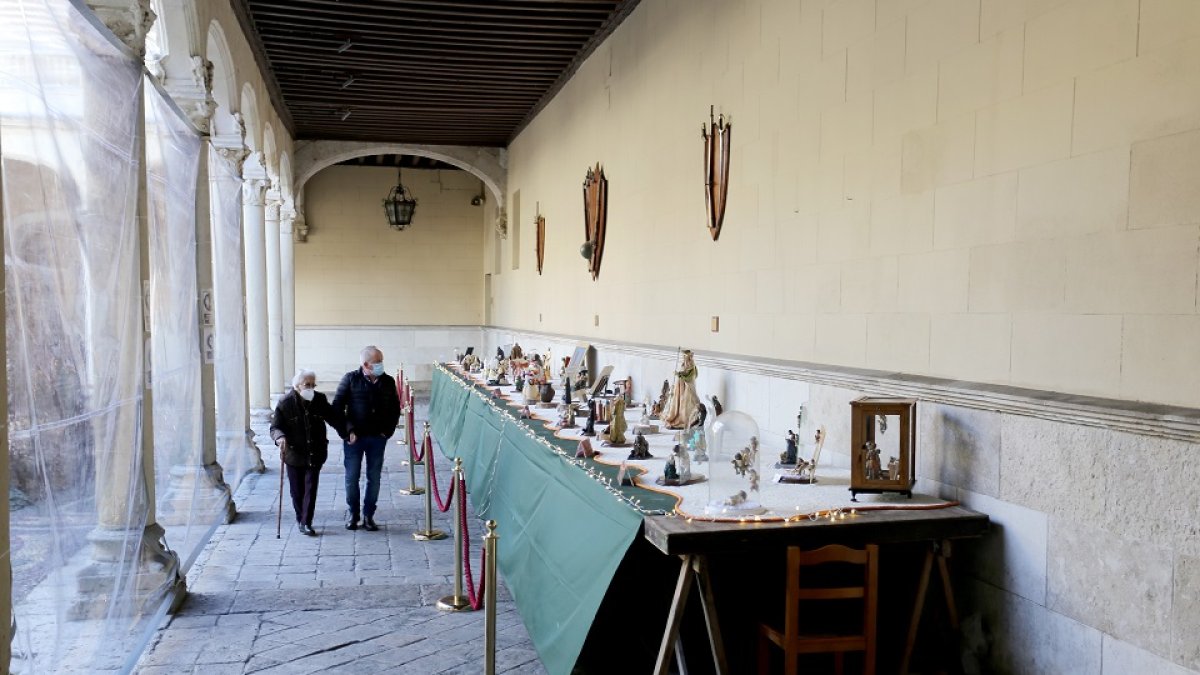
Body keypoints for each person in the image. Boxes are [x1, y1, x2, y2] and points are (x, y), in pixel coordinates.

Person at [331, 345, 400, 531]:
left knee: (374, 477)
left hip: (378, 437)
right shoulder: (350, 379)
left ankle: (369, 515)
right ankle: (354, 514)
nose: (380, 365)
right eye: (377, 362)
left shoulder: (388, 381)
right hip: (355, 438)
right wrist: (347, 431)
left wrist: (387, 431)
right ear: (365, 364)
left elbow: (395, 408)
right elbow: (336, 408)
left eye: (381, 361)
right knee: (351, 477)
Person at [270, 369, 341, 536]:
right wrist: (280, 438)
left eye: (312, 385)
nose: (310, 388)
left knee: (311, 487)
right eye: (306, 385)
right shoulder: (285, 403)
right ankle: (300, 517)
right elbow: (275, 427)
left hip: (315, 452)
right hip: (294, 454)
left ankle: (306, 522)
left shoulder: (319, 399)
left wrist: (349, 431)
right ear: (296, 386)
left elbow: (334, 419)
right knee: (297, 490)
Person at [660, 349, 700, 429]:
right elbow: (684, 372)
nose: (683, 357)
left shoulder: (691, 364)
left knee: (685, 401)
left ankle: (686, 418)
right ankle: (677, 414)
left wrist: (679, 375)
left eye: (685, 356)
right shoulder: (684, 363)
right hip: (681, 385)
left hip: (687, 386)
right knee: (678, 400)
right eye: (683, 356)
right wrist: (679, 374)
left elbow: (689, 376)